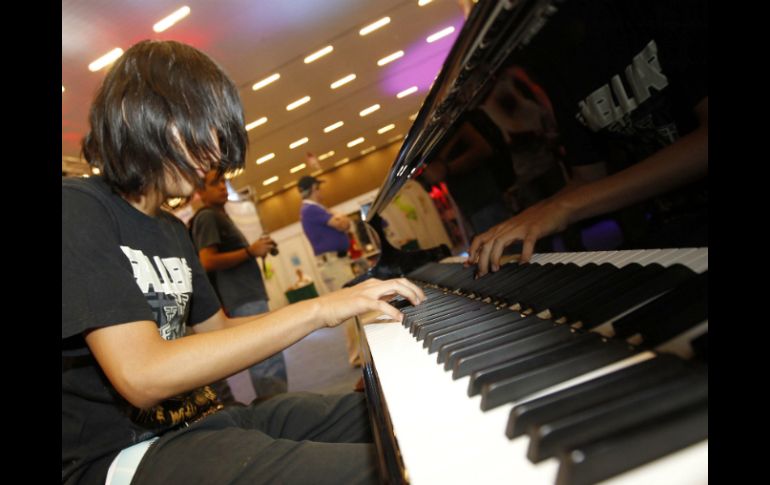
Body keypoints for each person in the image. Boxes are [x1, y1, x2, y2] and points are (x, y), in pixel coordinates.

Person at [62, 39, 425, 485]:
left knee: (401, 405)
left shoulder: (173, 230)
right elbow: (143, 375)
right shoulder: (77, 208)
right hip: (123, 454)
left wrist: (336, 300)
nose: (214, 154)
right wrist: (317, 310)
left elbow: (219, 332)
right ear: (143, 114)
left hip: (206, 420)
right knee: (385, 474)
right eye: (203, 128)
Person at [468, 0, 708, 275]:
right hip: (677, 229)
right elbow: (588, 177)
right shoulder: (552, 55)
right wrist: (530, 216)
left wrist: (564, 207)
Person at [190, 169, 288, 400]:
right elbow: (207, 261)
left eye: (223, 181)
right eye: (215, 183)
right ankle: (278, 413)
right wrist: (249, 251)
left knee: (269, 356)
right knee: (267, 358)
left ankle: (278, 411)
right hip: (241, 298)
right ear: (201, 192)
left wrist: (253, 251)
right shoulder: (207, 217)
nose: (223, 186)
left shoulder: (219, 215)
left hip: (247, 295)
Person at [298, 175, 363, 367]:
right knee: (349, 307)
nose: (322, 192)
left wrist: (341, 219)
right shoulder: (311, 209)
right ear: (313, 189)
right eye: (319, 188)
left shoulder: (316, 209)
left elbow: (346, 224)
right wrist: (341, 218)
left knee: (351, 305)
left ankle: (359, 352)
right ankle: (357, 355)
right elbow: (343, 224)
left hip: (337, 262)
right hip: (333, 263)